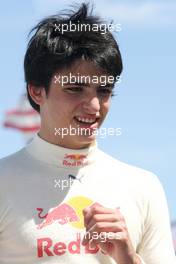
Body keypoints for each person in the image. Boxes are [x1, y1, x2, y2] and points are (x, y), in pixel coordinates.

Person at [0, 3, 175, 264]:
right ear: (37, 91)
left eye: (103, 91)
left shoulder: (143, 187)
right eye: (74, 89)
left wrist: (127, 258)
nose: (94, 106)